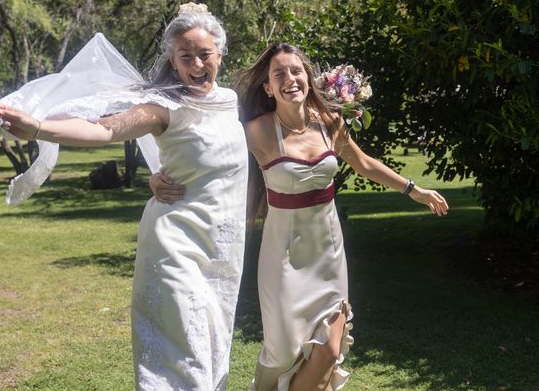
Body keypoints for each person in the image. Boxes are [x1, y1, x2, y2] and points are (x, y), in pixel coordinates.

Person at [151, 42, 449, 391]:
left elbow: (365, 164)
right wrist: (159, 175)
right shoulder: (256, 131)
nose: (290, 79)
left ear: (308, 78)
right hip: (283, 259)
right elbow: (201, 148)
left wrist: (415, 190)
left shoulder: (330, 123)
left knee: (329, 350)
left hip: (328, 253)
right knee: (283, 357)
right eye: (279, 74)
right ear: (268, 87)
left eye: (296, 71)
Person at [0, 4, 249, 390]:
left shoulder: (231, 101)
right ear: (173, 60)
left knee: (214, 348)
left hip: (222, 250)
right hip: (175, 244)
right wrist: (39, 129)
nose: (197, 64)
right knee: (186, 353)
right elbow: (104, 130)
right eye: (186, 56)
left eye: (204, 54)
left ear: (220, 53)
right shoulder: (164, 107)